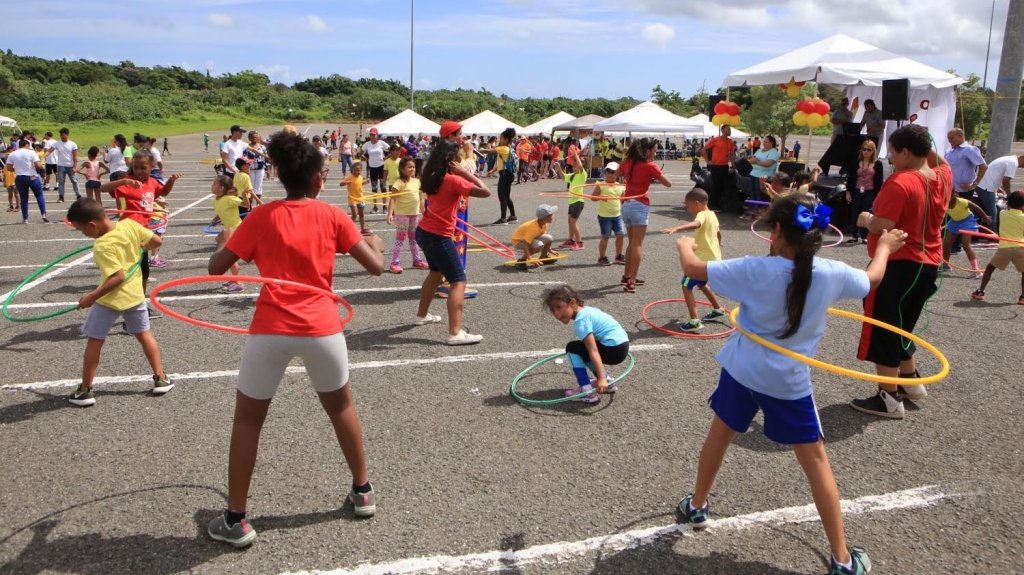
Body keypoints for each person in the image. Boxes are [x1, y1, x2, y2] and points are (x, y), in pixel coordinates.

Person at [676, 194, 906, 575]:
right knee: (816, 462)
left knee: (720, 433)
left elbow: (694, 268)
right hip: (787, 381)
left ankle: (698, 506)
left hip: (741, 369)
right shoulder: (832, 273)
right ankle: (842, 559)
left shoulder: (754, 270)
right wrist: (883, 247)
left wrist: (685, 243)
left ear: (778, 231)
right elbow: (873, 278)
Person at [204, 130, 385, 548]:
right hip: (322, 327)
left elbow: (216, 267)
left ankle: (236, 518)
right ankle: (362, 491)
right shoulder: (332, 215)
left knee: (248, 419)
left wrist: (230, 237)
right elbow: (376, 266)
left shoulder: (261, 217)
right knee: (341, 408)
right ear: (318, 179)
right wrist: (374, 240)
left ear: (281, 175)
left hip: (271, 329)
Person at [850, 125, 951, 419]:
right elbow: (940, 160)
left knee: (885, 325)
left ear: (905, 152)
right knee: (903, 322)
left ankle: (888, 398)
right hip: (929, 264)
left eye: (893, 152)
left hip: (900, 264)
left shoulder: (901, 182)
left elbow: (886, 223)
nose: (890, 158)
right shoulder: (942, 176)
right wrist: (921, 137)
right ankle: (909, 380)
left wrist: (867, 219)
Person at [65, 198, 174, 407]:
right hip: (134, 296)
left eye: (82, 231)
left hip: (108, 301)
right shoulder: (129, 224)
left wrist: (91, 297)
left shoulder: (102, 245)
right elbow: (157, 242)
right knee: (144, 335)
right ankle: (161, 378)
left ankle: (86, 390)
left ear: (92, 225)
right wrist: (140, 246)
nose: (84, 235)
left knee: (95, 341)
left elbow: (117, 277)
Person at [414, 140, 491, 344]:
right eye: (457, 157)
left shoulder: (431, 176)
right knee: (458, 280)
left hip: (424, 232)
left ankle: (422, 315)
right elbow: (485, 191)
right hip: (439, 235)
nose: (460, 161)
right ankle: (455, 333)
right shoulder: (452, 180)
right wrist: (466, 173)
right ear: (451, 161)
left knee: (436, 273)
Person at [98, 150, 182, 317]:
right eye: (136, 168)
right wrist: (123, 180)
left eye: (144, 168)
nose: (139, 171)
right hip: (129, 231)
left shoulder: (152, 182)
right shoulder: (127, 182)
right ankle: (130, 306)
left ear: (152, 167)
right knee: (133, 270)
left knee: (142, 270)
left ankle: (139, 303)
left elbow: (163, 192)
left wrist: (171, 181)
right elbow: (102, 188)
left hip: (142, 231)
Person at [543, 284, 629, 404]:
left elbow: (593, 350)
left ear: (572, 303)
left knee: (572, 348)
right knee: (581, 350)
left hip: (613, 350)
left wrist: (601, 379)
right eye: (553, 310)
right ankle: (609, 383)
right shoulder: (588, 310)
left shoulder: (581, 321)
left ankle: (587, 391)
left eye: (559, 307)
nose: (556, 314)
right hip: (622, 345)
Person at [661, 188, 726, 331]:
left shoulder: (702, 214)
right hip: (714, 258)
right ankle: (718, 309)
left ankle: (694, 320)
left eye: (689, 207)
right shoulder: (712, 214)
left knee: (686, 285)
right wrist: (719, 242)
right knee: (701, 284)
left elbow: (696, 224)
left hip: (703, 261)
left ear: (697, 204)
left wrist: (678, 228)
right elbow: (718, 232)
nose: (689, 210)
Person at [620, 138, 672, 293]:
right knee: (637, 244)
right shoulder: (650, 166)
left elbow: (615, 174)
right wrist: (657, 173)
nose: (656, 152)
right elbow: (668, 183)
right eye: (655, 150)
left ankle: (627, 275)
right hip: (639, 205)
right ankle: (632, 280)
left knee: (631, 242)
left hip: (626, 205)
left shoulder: (628, 162)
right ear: (647, 151)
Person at [972, 190, 1024, 304]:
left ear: (1009, 203)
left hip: (1005, 247)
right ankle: (1022, 297)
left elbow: (1002, 205)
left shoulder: (1003, 214)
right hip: (1020, 247)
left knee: (990, 269)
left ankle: (980, 291)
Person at [386, 157, 428, 273]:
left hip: (414, 214)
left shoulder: (417, 182)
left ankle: (416, 260)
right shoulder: (399, 182)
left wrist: (425, 213)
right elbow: (393, 199)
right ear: (402, 169)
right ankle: (394, 263)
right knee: (400, 239)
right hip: (402, 215)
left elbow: (421, 199)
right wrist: (390, 214)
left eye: (413, 166)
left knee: (414, 238)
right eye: (409, 167)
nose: (412, 169)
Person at [844, 139, 884, 244]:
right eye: (864, 149)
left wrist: (879, 195)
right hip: (857, 190)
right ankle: (854, 235)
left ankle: (865, 236)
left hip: (870, 191)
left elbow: (879, 181)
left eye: (869, 150)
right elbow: (851, 178)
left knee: (867, 213)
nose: (866, 152)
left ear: (873, 151)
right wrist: (848, 192)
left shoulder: (878, 164)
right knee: (855, 212)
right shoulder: (855, 162)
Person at [211, 174, 245, 292]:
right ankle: (234, 279)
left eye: (214, 184)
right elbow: (222, 210)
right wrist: (215, 219)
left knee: (229, 256)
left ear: (221, 188)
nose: (212, 185)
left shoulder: (230, 199)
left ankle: (238, 282)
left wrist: (245, 196)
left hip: (236, 229)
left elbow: (246, 205)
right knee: (219, 241)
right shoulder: (216, 200)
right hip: (228, 229)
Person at [942, 193, 990, 277]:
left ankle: (976, 270)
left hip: (967, 221)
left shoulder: (961, 202)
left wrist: (985, 217)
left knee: (966, 245)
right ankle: (946, 264)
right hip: (954, 222)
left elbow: (976, 208)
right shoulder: (943, 202)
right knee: (945, 245)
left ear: (953, 195)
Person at [974, 154, 1024, 231]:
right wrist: (1009, 195)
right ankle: (993, 235)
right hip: (986, 189)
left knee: (987, 211)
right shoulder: (1013, 163)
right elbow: (1006, 181)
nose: (1023, 167)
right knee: (993, 213)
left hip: (983, 186)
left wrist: (997, 188)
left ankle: (985, 230)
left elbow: (995, 174)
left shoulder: (1009, 159)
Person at [592, 162, 625, 266]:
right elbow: (593, 198)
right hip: (605, 216)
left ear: (617, 174)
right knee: (605, 236)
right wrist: (601, 197)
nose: (610, 174)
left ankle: (619, 256)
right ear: (605, 173)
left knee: (620, 235)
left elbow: (623, 200)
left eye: (613, 172)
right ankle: (601, 257)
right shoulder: (601, 184)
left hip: (617, 216)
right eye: (608, 172)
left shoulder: (621, 186)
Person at [9, 139, 49, 223]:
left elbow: (9, 168)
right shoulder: (31, 152)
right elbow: (38, 165)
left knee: (24, 199)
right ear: (27, 145)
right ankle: (43, 214)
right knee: (39, 195)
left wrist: (17, 169)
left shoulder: (12, 154)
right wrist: (41, 167)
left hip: (20, 177)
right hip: (32, 176)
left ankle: (25, 219)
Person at [553, 154, 587, 250]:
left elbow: (580, 166)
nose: (573, 167)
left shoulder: (582, 174)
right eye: (572, 166)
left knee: (573, 222)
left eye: (574, 165)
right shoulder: (573, 176)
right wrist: (559, 167)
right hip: (572, 201)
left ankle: (580, 242)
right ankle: (571, 240)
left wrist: (576, 154)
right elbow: (563, 177)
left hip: (578, 201)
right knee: (570, 221)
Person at [511, 204, 558, 271]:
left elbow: (543, 237)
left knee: (549, 238)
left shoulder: (544, 224)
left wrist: (550, 250)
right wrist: (529, 258)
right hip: (518, 241)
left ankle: (543, 257)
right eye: (550, 215)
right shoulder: (533, 228)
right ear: (544, 218)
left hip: (528, 240)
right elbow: (525, 243)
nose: (553, 216)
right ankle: (521, 261)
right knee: (539, 245)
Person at [487, 127, 518, 224]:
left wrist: (473, 149)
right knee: (507, 196)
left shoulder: (503, 148)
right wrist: (493, 170)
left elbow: (488, 151)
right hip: (508, 174)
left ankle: (503, 219)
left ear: (505, 139)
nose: (499, 140)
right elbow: (503, 162)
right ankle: (513, 216)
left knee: (502, 196)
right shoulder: (509, 149)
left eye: (501, 138)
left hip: (505, 175)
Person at [703, 125, 735, 212]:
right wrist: (707, 161)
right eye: (728, 129)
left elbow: (732, 155)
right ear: (723, 130)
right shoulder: (716, 140)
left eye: (730, 129)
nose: (730, 131)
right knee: (715, 186)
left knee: (725, 186)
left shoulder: (730, 141)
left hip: (725, 166)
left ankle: (722, 205)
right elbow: (704, 149)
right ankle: (712, 206)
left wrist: (733, 166)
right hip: (715, 166)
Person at [361, 127, 389, 213]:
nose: (372, 136)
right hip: (372, 167)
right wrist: (366, 159)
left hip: (381, 167)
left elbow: (390, 150)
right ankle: (375, 207)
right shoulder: (367, 144)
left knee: (383, 187)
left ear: (377, 135)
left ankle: (384, 207)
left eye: (374, 135)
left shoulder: (381, 143)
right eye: (371, 134)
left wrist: (386, 158)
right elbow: (360, 152)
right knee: (374, 188)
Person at [52, 128, 81, 202]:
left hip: (70, 165)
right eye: (60, 135)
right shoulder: (57, 143)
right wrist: (45, 155)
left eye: (63, 135)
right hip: (60, 166)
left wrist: (74, 166)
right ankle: (61, 196)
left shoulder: (72, 144)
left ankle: (78, 196)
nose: (61, 137)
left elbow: (75, 156)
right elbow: (50, 150)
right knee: (61, 182)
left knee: (74, 181)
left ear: (67, 135)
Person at [343, 162, 369, 235]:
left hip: (360, 198)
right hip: (352, 199)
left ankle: (362, 229)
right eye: (355, 170)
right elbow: (341, 184)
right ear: (352, 170)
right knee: (354, 214)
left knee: (361, 214)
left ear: (361, 170)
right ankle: (347, 228)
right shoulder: (349, 177)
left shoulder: (360, 177)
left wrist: (366, 182)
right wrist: (346, 182)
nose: (357, 172)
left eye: (359, 170)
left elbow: (360, 183)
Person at [244, 131, 269, 200]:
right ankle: (251, 204)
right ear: (249, 138)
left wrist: (267, 170)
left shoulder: (262, 147)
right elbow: (245, 158)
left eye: (255, 137)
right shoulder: (246, 147)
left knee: (258, 187)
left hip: (260, 170)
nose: (254, 138)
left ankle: (258, 204)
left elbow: (266, 158)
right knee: (250, 187)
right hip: (250, 170)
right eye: (252, 137)